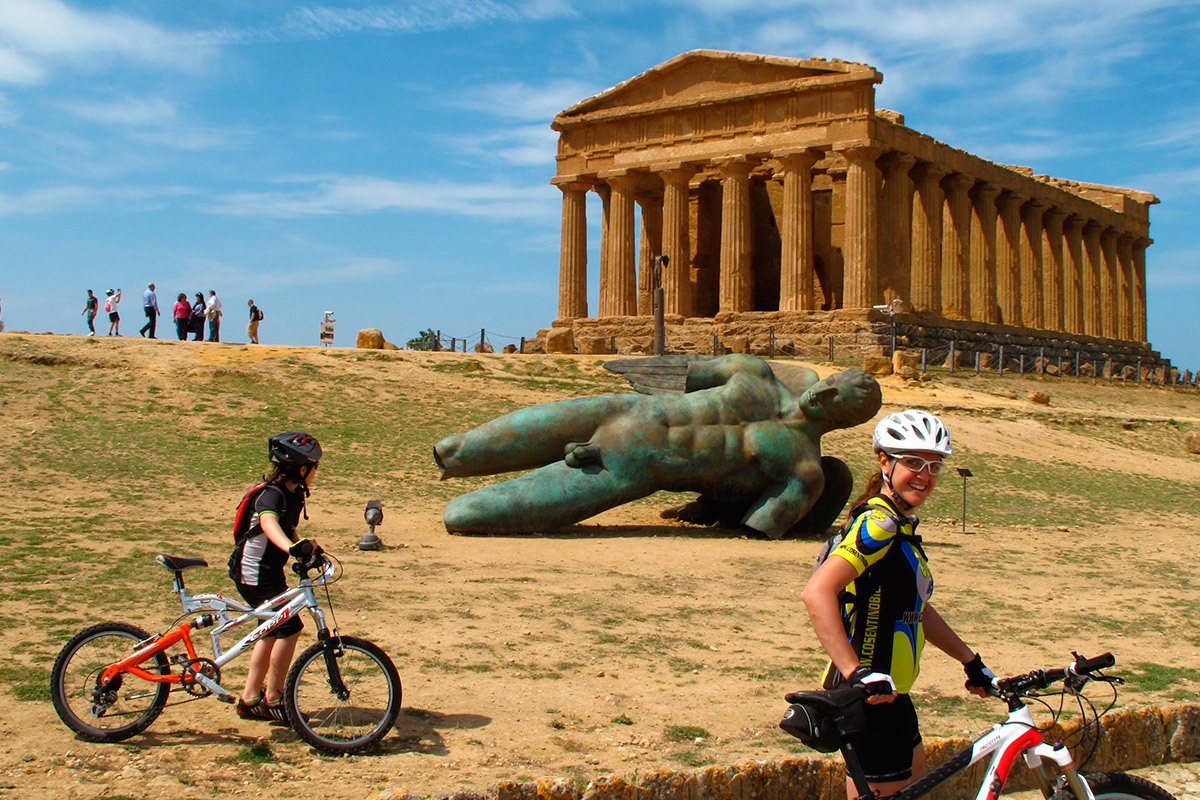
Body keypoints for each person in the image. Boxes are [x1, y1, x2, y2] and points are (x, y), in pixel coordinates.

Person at [435, 355, 880, 538]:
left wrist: (714, 502)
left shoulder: (803, 471)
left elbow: (753, 527)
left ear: (843, 420)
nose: (822, 392)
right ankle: (452, 458)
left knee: (464, 516)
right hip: (620, 410)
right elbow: (680, 374)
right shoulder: (754, 371)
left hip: (631, 468)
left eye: (836, 399)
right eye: (831, 382)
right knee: (455, 450)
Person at [800, 410, 994, 799]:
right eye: (913, 462)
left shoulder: (900, 526)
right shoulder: (879, 524)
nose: (925, 475)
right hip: (869, 697)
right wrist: (856, 673)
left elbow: (916, 609)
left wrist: (971, 662)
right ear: (885, 462)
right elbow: (816, 592)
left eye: (934, 466)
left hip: (893, 694)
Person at [227, 432, 323, 722]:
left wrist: (306, 546)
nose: (316, 473)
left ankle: (250, 699)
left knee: (269, 630)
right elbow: (268, 523)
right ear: (302, 468)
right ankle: (274, 698)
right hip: (254, 573)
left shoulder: (292, 494)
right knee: (289, 628)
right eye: (314, 467)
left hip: (267, 572)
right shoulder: (272, 494)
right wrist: (291, 548)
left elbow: (287, 528)